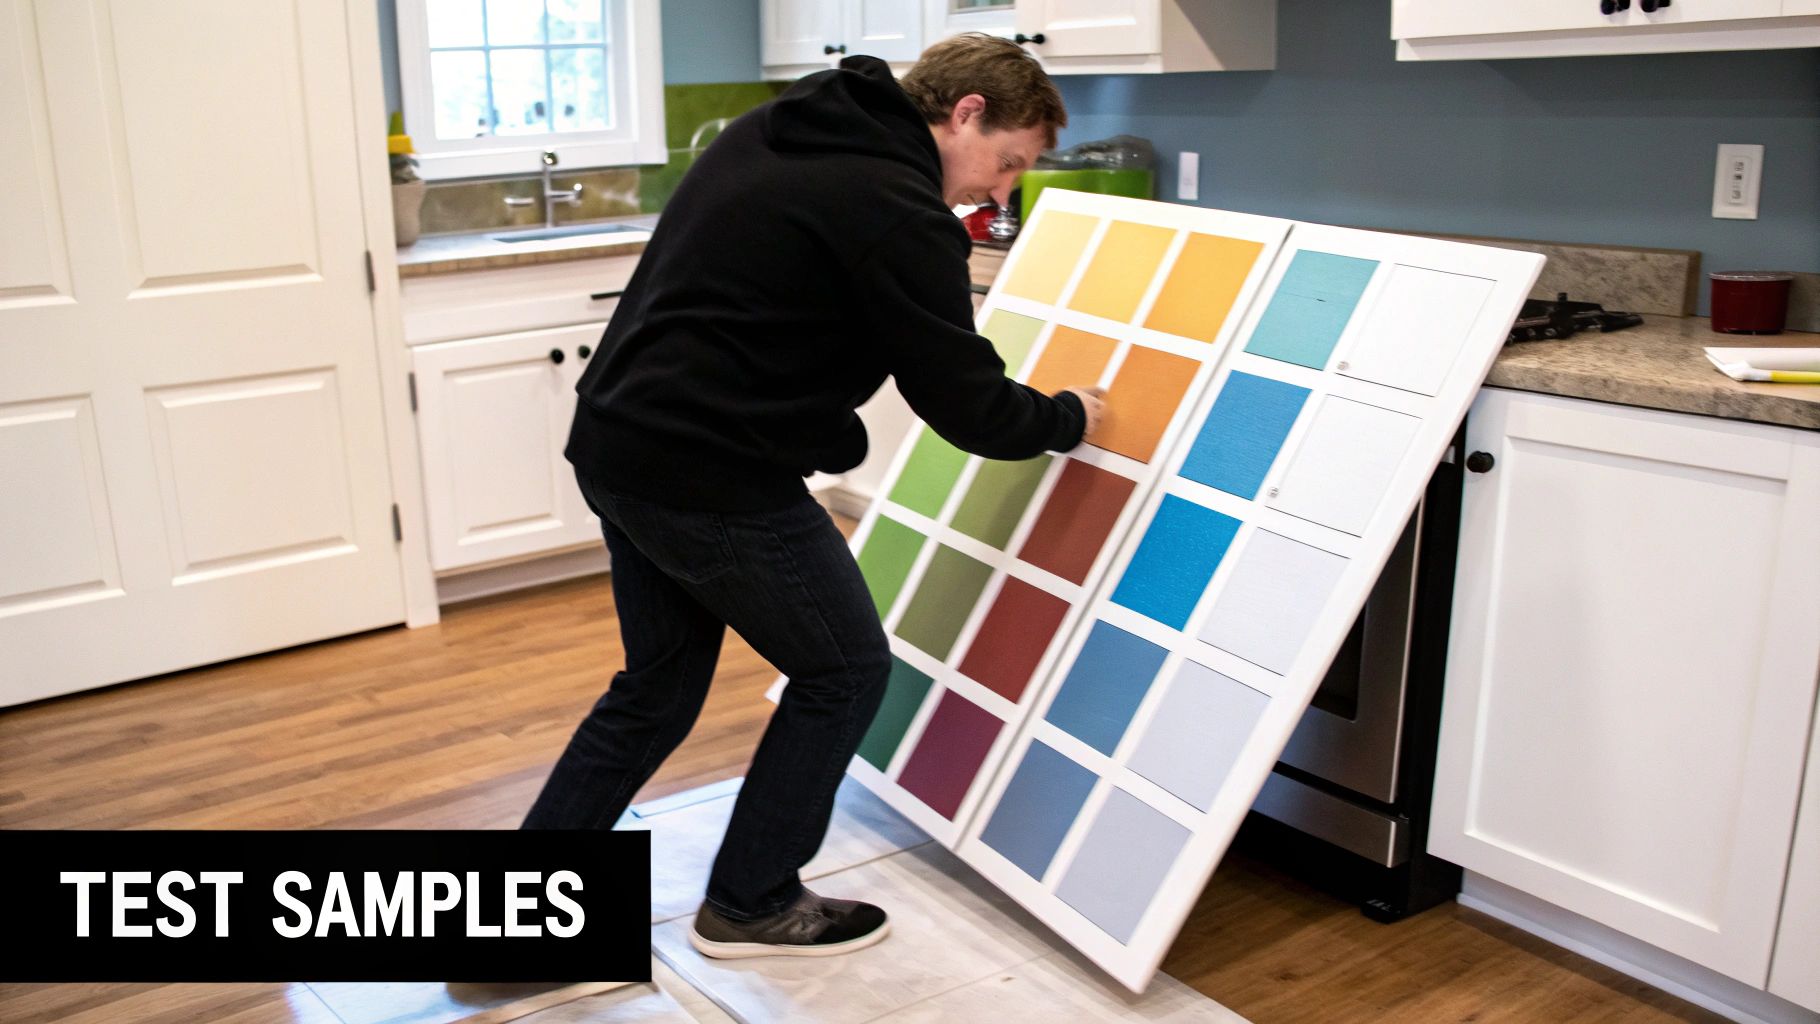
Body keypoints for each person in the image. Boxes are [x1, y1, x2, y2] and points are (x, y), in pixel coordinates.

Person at [521, 33, 1106, 960]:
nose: (1000, 195)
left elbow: (757, 306)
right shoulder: (896, 207)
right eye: (1007, 164)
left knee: (657, 689)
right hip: (712, 470)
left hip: (622, 441)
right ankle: (751, 903)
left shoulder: (781, 130)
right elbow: (967, 404)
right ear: (965, 115)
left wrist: (823, 418)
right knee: (843, 671)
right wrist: (1071, 416)